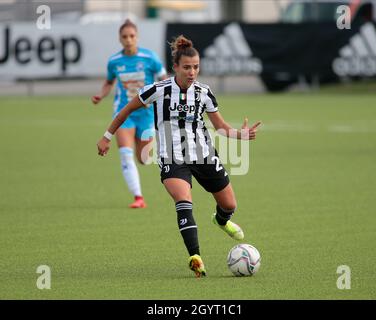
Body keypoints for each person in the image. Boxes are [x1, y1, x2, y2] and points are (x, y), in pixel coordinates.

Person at [97, 35, 261, 277]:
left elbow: (220, 126)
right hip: (172, 159)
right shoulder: (158, 90)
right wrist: (107, 136)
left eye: (196, 67)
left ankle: (221, 220)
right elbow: (126, 110)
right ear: (175, 67)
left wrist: (240, 135)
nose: (192, 72)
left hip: (204, 156)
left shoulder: (205, 92)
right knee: (184, 202)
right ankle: (195, 257)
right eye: (187, 67)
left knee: (229, 205)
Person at [91, 19, 167, 209]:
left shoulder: (150, 58)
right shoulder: (114, 61)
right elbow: (109, 82)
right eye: (124, 36)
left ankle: (141, 142)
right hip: (124, 113)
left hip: (147, 114)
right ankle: (138, 197)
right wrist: (101, 94)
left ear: (137, 37)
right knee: (126, 154)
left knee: (144, 159)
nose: (128, 40)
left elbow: (164, 79)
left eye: (131, 36)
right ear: (120, 38)